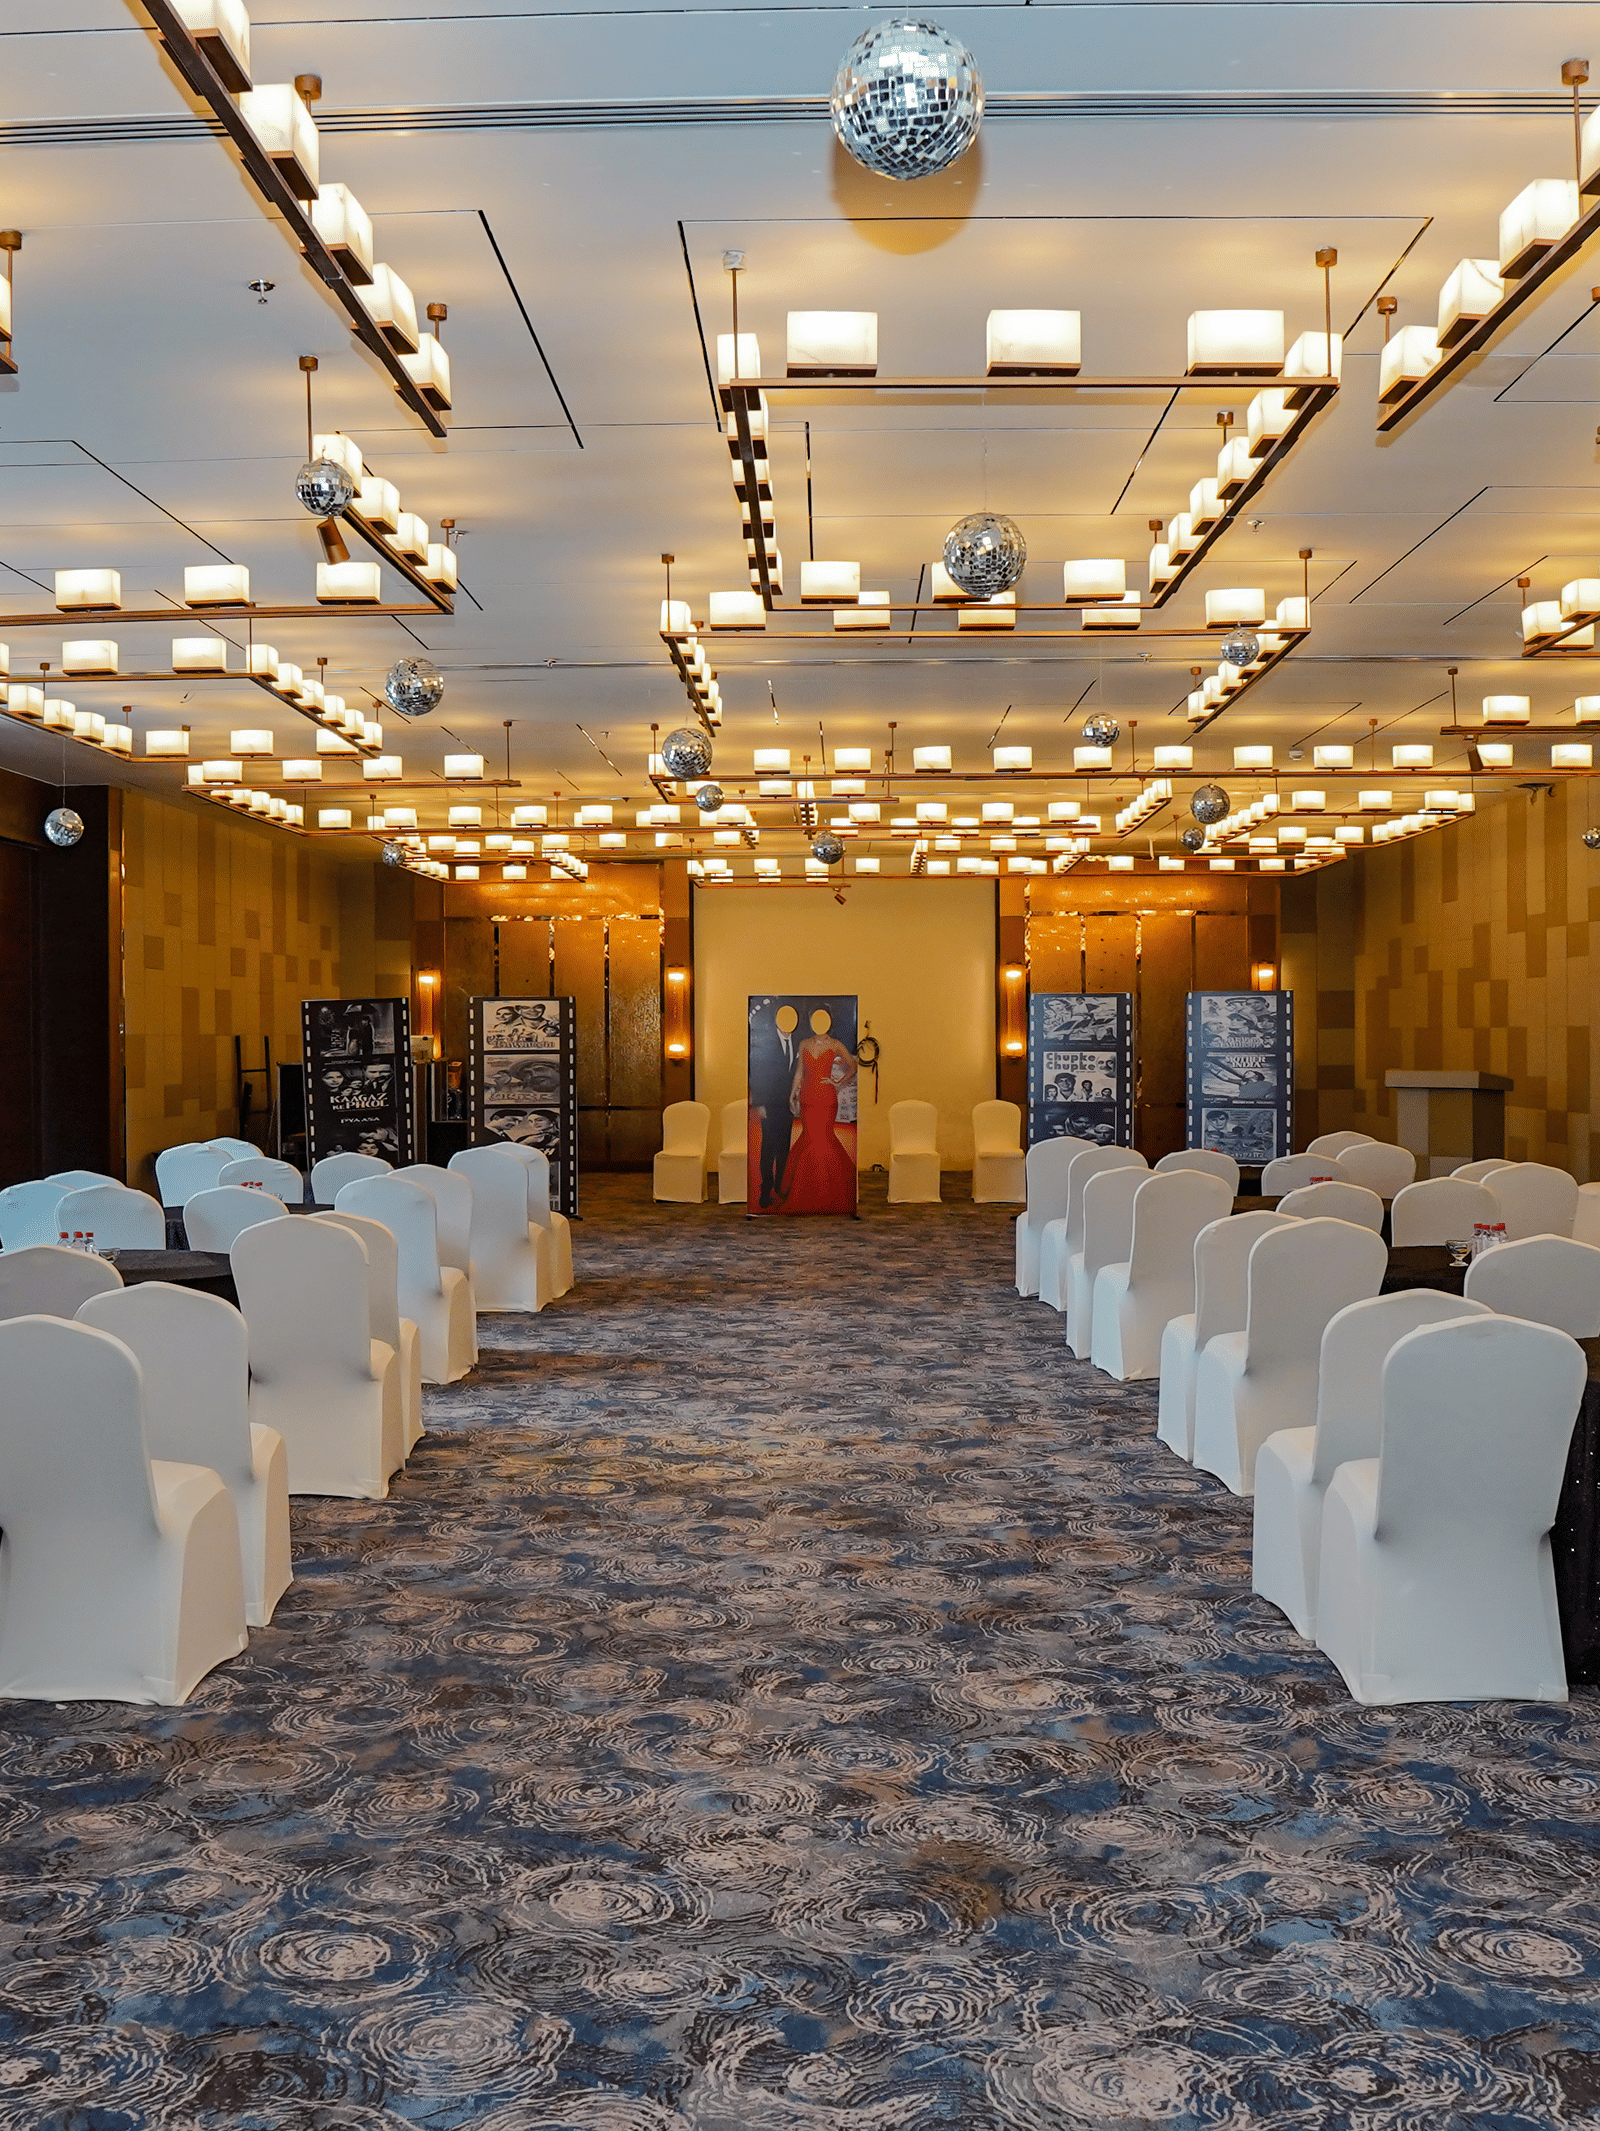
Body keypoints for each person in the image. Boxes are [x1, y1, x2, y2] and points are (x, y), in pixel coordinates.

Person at [778, 1007, 858, 1214]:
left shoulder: (835, 1044)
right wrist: (792, 1093)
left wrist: (838, 1083)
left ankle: (826, 1192)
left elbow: (853, 1066)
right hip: (807, 1097)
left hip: (826, 1098)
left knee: (822, 1139)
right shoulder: (804, 1043)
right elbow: (800, 1072)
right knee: (810, 1137)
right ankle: (808, 1190)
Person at [749, 1002, 801, 1209]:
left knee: (784, 1148)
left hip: (787, 1104)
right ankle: (765, 1190)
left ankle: (780, 1185)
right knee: (768, 1149)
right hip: (769, 1104)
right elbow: (757, 1074)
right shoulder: (766, 1041)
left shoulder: (797, 1041)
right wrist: (759, 1104)